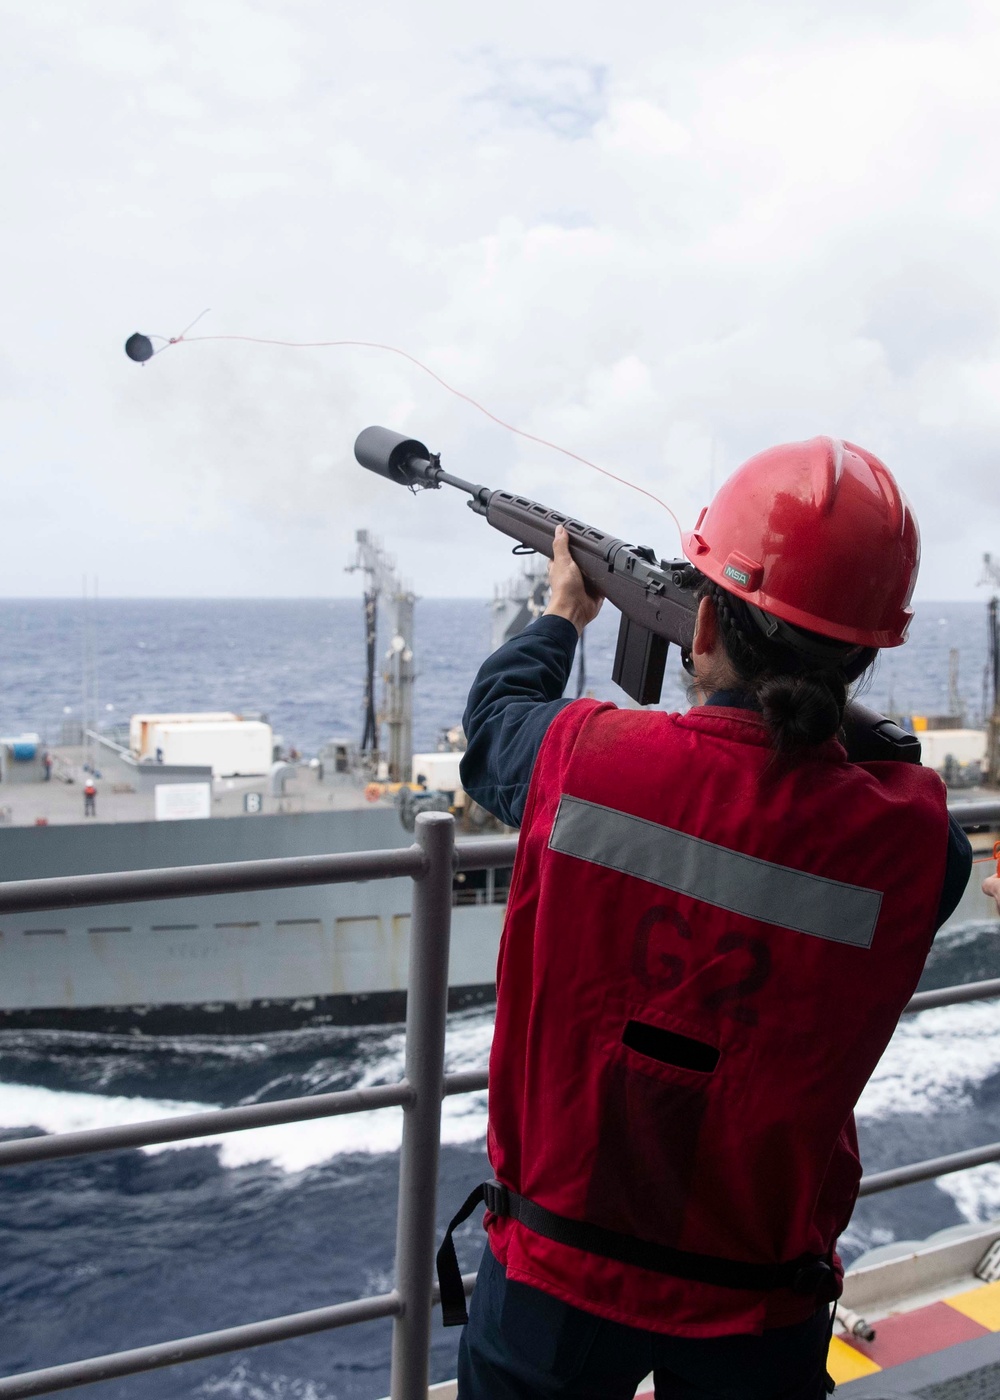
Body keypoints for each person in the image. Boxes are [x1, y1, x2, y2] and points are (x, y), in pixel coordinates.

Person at [449, 438, 973, 1400]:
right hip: (762, 1297)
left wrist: (563, 610)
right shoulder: (914, 843)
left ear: (699, 628)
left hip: (556, 1269)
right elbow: (891, 803)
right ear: (864, 654)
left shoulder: (588, 758)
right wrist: (822, 716)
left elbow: (493, 728)